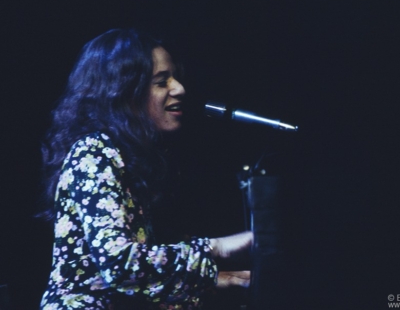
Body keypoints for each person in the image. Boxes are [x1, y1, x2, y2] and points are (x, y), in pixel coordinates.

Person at [39, 28, 253, 310]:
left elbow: (137, 276)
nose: (179, 89)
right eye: (162, 81)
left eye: (174, 78)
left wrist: (217, 279)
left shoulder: (129, 158)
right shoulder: (93, 151)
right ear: (124, 92)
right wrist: (217, 248)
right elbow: (119, 264)